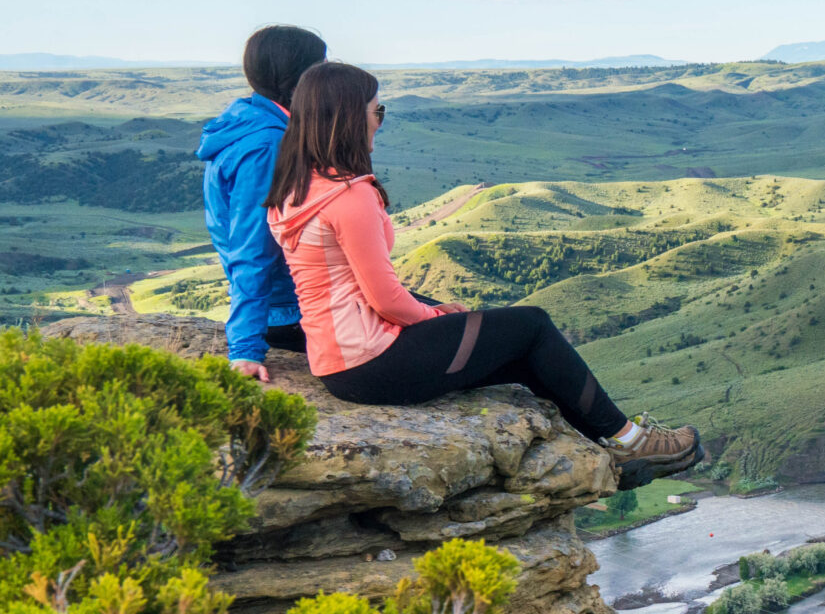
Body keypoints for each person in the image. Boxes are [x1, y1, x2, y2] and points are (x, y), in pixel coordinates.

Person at [265, 60, 700, 486]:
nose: (380, 122)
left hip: (335, 359)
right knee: (531, 325)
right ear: (346, 118)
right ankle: (631, 440)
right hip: (370, 361)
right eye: (377, 111)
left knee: (515, 347)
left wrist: (435, 315)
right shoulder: (350, 197)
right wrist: (436, 318)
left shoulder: (296, 187)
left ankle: (614, 449)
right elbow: (384, 300)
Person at [198, 24, 327, 380]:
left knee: (439, 315)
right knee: (449, 328)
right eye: (322, 67)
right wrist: (245, 349)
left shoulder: (249, 120)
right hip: (290, 311)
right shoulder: (267, 145)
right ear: (301, 78)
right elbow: (252, 248)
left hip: (289, 304)